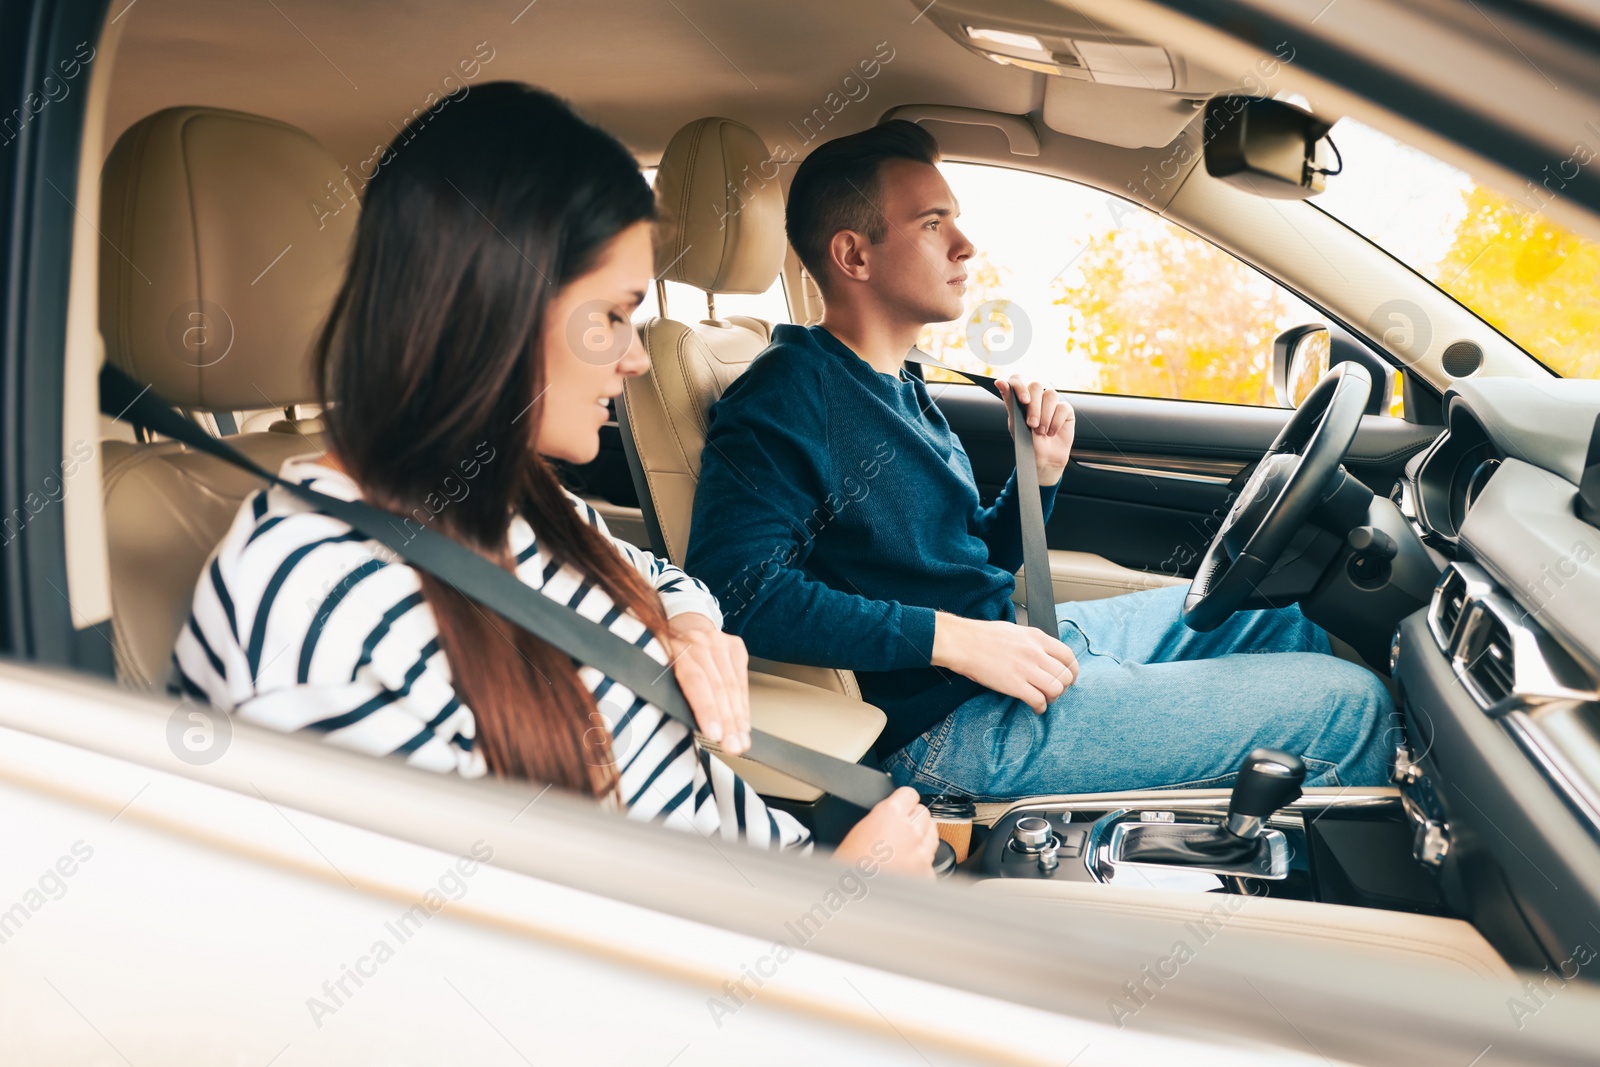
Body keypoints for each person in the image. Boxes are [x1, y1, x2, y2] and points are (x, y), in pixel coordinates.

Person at [172, 83, 936, 874]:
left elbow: (669, 578)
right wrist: (850, 896)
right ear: (487, 308)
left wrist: (688, 626)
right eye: (612, 315)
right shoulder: (313, 607)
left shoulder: (512, 501)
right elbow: (489, 984)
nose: (636, 358)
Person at [683, 120, 1393, 800]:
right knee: (1350, 706)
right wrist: (953, 641)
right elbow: (738, 589)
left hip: (1005, 642)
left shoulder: (900, 380)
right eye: (933, 225)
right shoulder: (788, 390)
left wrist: (1039, 476)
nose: (965, 245)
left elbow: (961, 561)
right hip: (943, 724)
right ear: (854, 255)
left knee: (1285, 617)